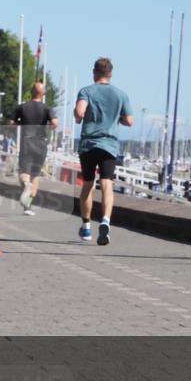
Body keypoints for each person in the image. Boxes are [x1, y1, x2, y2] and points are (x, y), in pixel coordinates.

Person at [74, 58, 133, 245]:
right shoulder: (121, 95)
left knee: (88, 185)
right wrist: (118, 119)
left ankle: (86, 227)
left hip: (89, 145)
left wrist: (78, 116)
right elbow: (129, 121)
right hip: (109, 145)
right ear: (111, 74)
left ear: (94, 72)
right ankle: (105, 220)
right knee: (107, 183)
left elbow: (80, 112)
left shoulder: (86, 91)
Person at [10, 82, 58, 215]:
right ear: (43, 94)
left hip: (26, 142)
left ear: (31, 92)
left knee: (24, 173)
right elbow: (55, 123)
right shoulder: (47, 109)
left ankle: (26, 186)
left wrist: (21, 123)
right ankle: (28, 207)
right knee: (35, 175)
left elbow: (11, 123)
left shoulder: (22, 107)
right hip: (41, 144)